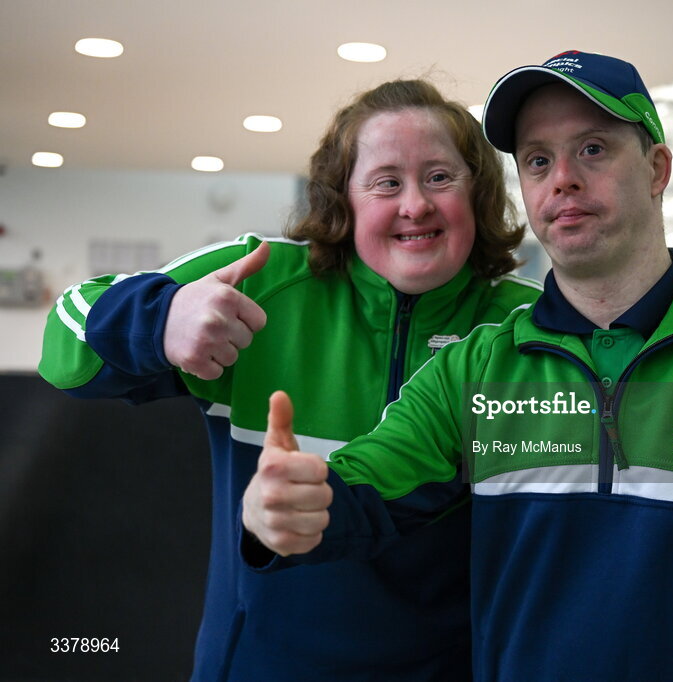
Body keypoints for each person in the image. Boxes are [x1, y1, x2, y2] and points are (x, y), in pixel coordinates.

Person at [243, 51, 673, 680]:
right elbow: (363, 482)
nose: (563, 181)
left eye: (593, 149)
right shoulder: (478, 368)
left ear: (657, 168)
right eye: (539, 160)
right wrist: (283, 505)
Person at [38, 79, 541, 681]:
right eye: (386, 182)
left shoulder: (525, 328)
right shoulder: (259, 279)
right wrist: (161, 322)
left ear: (478, 193)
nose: (415, 205)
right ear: (343, 198)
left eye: (439, 177)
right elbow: (66, 341)